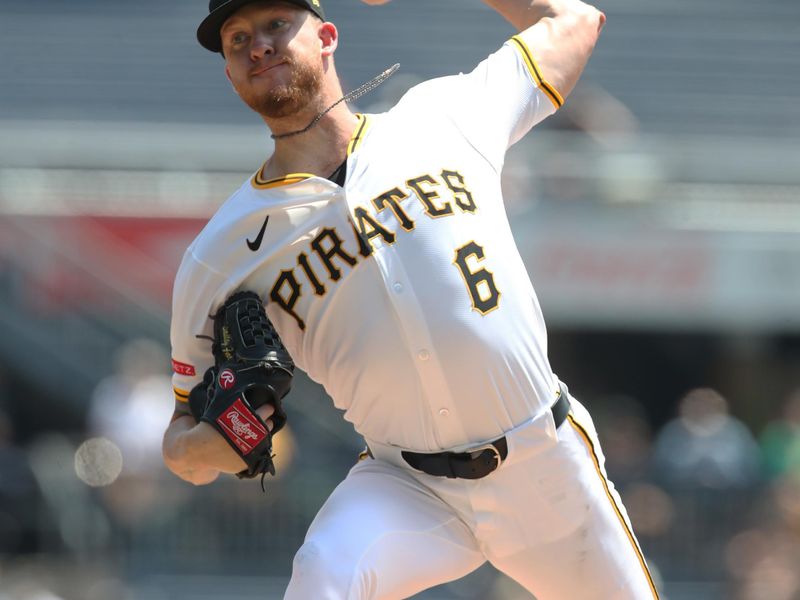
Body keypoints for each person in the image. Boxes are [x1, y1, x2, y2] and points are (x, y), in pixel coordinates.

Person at [162, 0, 659, 598]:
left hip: (544, 465)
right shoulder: (220, 253)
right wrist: (208, 446)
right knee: (323, 572)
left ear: (326, 36)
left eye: (275, 26)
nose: (258, 46)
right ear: (228, 73)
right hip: (408, 488)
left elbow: (573, 21)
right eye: (237, 39)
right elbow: (179, 441)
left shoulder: (441, 117)